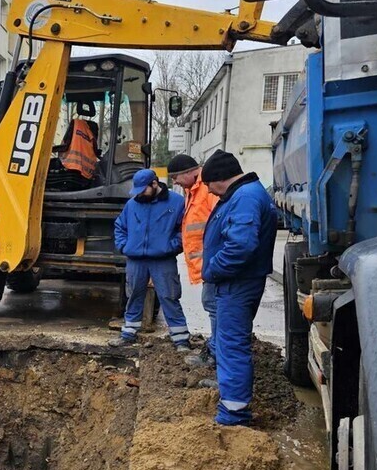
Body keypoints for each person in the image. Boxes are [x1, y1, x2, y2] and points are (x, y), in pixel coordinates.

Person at [201, 150, 278, 426]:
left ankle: (234, 412)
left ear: (220, 178)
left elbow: (241, 245)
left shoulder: (244, 197)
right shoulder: (241, 194)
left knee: (232, 344)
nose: (208, 190)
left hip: (237, 283)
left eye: (209, 184)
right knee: (226, 341)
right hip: (235, 282)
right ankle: (230, 394)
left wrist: (213, 269)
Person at [110, 168, 190, 349]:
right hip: (136, 259)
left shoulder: (177, 203)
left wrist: (171, 247)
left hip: (163, 259)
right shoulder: (133, 204)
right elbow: (120, 226)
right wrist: (124, 246)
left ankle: (181, 339)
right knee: (133, 295)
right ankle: (128, 334)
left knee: (169, 296)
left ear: (154, 184)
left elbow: (183, 230)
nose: (139, 194)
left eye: (142, 190)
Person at [168, 153, 219, 368]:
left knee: (215, 307)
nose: (174, 182)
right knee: (212, 306)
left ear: (190, 172)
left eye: (176, 176)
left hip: (214, 263)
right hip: (208, 263)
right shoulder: (193, 191)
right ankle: (216, 349)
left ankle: (217, 354)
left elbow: (219, 223)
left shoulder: (208, 190)